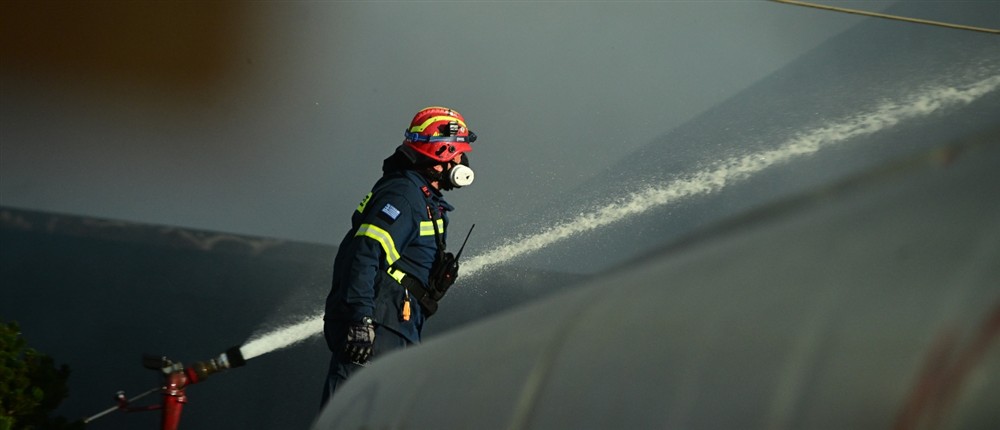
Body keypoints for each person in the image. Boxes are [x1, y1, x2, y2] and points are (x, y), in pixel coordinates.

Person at [321, 106, 477, 406]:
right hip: (378, 329)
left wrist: (430, 286)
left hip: (397, 327)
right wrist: (361, 319)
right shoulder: (403, 196)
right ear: (444, 152)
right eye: (459, 153)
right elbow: (364, 254)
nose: (463, 161)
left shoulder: (423, 200)